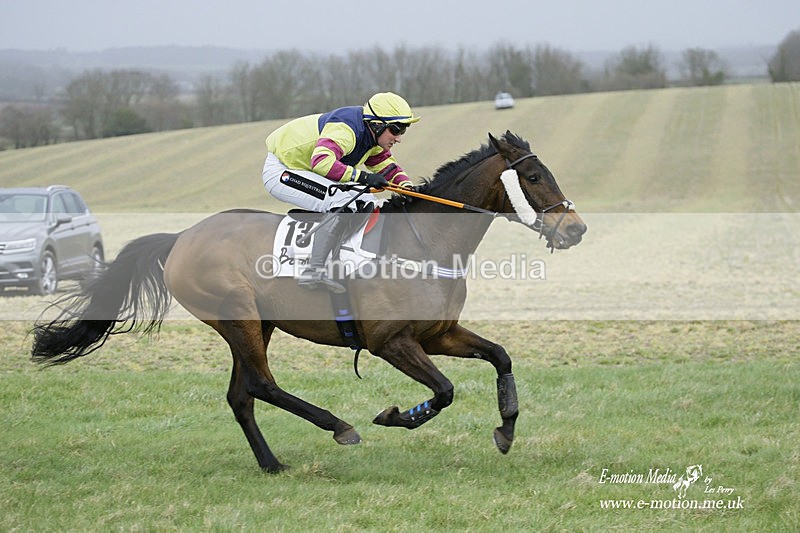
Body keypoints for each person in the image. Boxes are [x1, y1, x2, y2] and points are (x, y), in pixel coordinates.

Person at [262, 92, 420, 293]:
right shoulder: (346, 129)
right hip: (284, 169)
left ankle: (341, 256)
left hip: (306, 168)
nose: (398, 138)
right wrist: (363, 178)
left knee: (366, 200)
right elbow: (321, 162)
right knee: (342, 200)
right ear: (376, 124)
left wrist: (408, 188)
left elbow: (386, 166)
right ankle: (314, 269)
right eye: (396, 130)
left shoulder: (372, 137)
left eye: (403, 130)